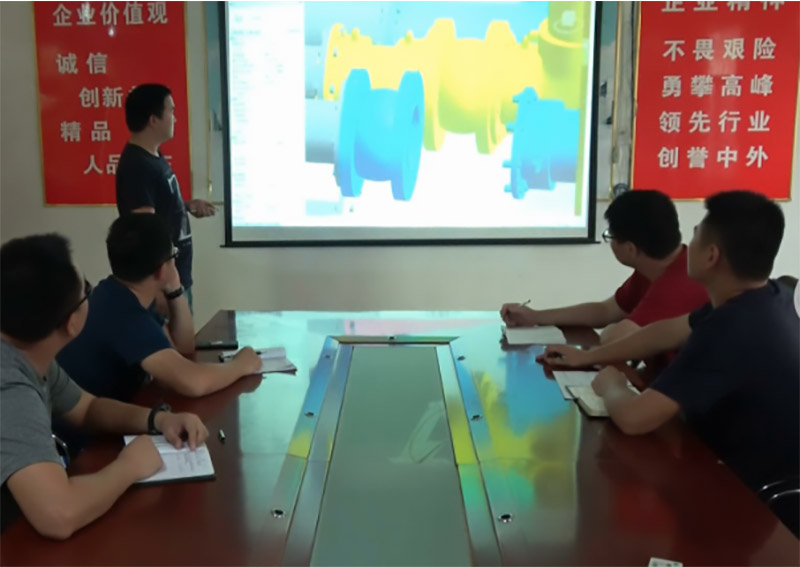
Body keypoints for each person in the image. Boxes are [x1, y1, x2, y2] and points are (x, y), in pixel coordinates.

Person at [546, 191, 798, 498]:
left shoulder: (729, 330)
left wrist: (612, 386)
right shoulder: (769, 295)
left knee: (618, 476)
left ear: (711, 256)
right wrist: (587, 357)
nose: (686, 247)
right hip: (748, 467)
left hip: (747, 494)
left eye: (695, 237)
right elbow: (666, 332)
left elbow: (635, 419)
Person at [0, 234, 209, 539]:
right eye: (86, 290)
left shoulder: (28, 350)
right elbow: (59, 514)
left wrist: (159, 419)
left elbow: (87, 408)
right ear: (71, 322)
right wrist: (130, 466)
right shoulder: (9, 386)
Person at [56, 214, 262, 402]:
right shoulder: (125, 315)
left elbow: (183, 348)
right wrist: (241, 365)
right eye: (173, 255)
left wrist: (174, 289)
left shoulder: (117, 293)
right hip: (86, 430)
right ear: (162, 269)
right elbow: (192, 382)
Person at [501, 190, 708, 344]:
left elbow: (613, 339)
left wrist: (610, 332)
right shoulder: (659, 266)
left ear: (630, 249)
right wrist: (535, 316)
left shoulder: (678, 286)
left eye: (611, 236)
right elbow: (606, 310)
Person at [116, 83, 215, 311]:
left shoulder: (153, 156)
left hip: (176, 279)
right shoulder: (137, 166)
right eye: (171, 111)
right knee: (177, 335)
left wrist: (186, 205)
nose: (175, 118)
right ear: (153, 120)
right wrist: (162, 289)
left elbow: (158, 205)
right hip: (164, 286)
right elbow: (145, 235)